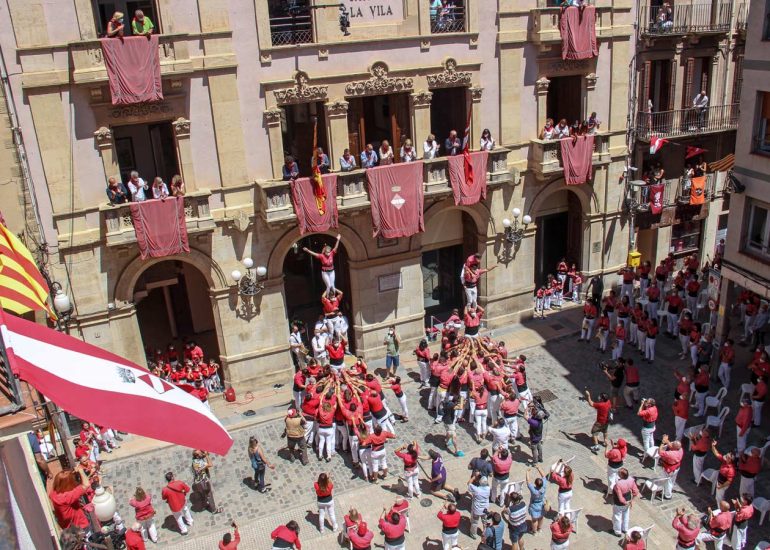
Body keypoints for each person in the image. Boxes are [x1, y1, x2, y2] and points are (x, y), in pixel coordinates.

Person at [191, 449, 222, 514]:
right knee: (209, 495)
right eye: (200, 453)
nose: (201, 453)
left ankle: (205, 504)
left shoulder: (194, 460)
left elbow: (202, 456)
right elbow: (210, 464)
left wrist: (204, 453)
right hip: (203, 482)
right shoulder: (199, 463)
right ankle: (214, 510)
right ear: (197, 456)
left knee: (203, 494)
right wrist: (207, 455)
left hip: (198, 481)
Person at [612, 468, 639, 536]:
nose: (618, 474)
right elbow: (636, 491)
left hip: (619, 503)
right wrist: (631, 500)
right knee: (626, 515)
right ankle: (625, 529)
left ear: (621, 475)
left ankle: (618, 532)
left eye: (619, 473)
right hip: (628, 498)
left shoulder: (618, 484)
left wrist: (625, 502)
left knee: (617, 517)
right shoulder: (631, 479)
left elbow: (620, 497)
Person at [658, 435, 683, 499]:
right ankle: (669, 490)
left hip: (670, 469)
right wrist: (667, 440)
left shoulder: (670, 454)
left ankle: (667, 495)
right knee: (672, 480)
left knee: (667, 482)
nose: (671, 444)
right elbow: (672, 446)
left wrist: (663, 442)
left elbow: (660, 452)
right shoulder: (680, 449)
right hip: (676, 467)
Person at [467, 473, 491, 539]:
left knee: (474, 522)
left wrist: (474, 477)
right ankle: (485, 533)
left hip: (477, 510)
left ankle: (473, 534)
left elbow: (469, 484)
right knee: (485, 521)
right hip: (485, 509)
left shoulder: (476, 490)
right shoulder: (488, 489)